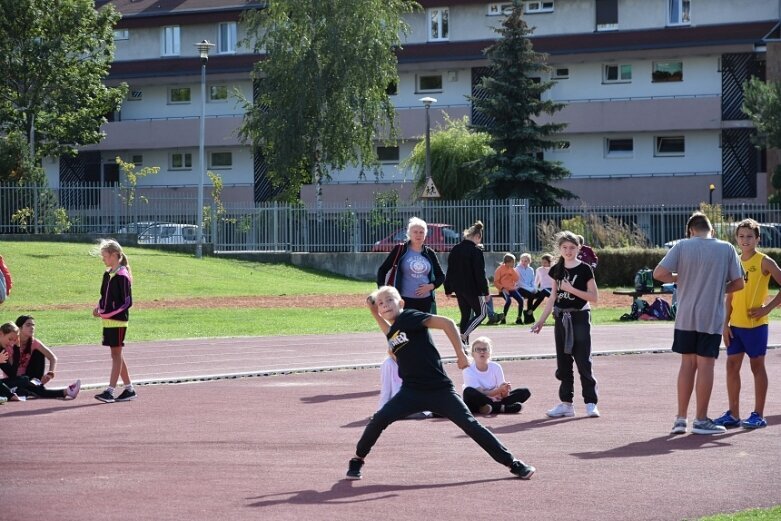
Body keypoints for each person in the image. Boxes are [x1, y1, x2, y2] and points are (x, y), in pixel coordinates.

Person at [346, 286, 535, 480]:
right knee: (379, 419)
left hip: (440, 391)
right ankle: (357, 460)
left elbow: (447, 322)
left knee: (472, 425)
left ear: (401, 303)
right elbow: (388, 332)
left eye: (389, 300)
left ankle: (513, 463)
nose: (385, 305)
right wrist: (373, 311)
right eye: (381, 303)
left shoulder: (409, 317)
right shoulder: (394, 331)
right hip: (410, 392)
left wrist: (461, 354)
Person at [653, 211, 744, 435]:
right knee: (706, 366)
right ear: (711, 229)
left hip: (685, 315)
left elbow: (659, 273)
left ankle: (680, 419)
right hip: (710, 316)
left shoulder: (682, 246)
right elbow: (739, 283)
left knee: (687, 365)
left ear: (691, 230)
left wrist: (679, 277)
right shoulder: (726, 248)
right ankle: (701, 419)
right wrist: (718, 287)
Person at [714, 219, 780, 429]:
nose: (745, 240)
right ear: (736, 238)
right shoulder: (734, 261)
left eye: (749, 237)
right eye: (741, 236)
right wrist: (725, 324)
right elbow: (730, 297)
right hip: (736, 326)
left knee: (756, 367)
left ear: (757, 239)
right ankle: (733, 414)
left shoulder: (764, 261)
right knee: (731, 366)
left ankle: (758, 414)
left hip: (756, 326)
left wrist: (766, 309)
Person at [531, 231, 600, 419]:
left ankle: (590, 402)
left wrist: (571, 289)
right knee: (563, 363)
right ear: (560, 249)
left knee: (583, 361)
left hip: (579, 317)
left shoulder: (585, 269)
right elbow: (553, 297)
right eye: (565, 248)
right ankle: (566, 403)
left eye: (572, 247)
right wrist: (541, 321)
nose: (568, 251)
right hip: (561, 319)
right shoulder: (556, 269)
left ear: (579, 248)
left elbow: (594, 298)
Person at [92, 239, 136, 403]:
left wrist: (107, 313)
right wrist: (99, 308)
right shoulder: (108, 274)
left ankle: (110, 391)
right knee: (116, 354)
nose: (103, 259)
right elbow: (104, 296)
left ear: (114, 255)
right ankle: (129, 389)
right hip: (108, 320)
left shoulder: (122, 276)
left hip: (118, 321)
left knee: (116, 355)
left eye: (105, 256)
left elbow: (126, 302)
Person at [376, 217, 445, 313]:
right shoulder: (400, 250)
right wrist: (382, 290)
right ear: (409, 233)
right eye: (415, 232)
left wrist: (431, 286)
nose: (418, 235)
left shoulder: (430, 253)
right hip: (404, 300)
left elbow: (441, 276)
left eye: (421, 232)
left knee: (422, 328)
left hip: (425, 301)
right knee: (406, 327)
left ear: (425, 234)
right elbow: (382, 270)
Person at [0, 322, 80, 401]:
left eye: (14, 340)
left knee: (24, 380)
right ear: (1, 334)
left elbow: (12, 373)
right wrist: (10, 395)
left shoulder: (3, 349)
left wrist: (17, 347)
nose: (11, 343)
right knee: (23, 384)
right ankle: (18, 392)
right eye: (10, 339)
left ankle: (28, 388)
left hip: (17, 380)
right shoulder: (5, 348)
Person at [444, 221, 490, 345]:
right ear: (477, 237)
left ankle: (464, 346)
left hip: (459, 289)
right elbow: (480, 273)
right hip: (473, 289)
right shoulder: (476, 251)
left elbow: (450, 270)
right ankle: (463, 336)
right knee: (482, 314)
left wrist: (447, 288)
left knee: (466, 316)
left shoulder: (455, 249)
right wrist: (485, 291)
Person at [462, 336, 531, 415]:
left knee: (525, 392)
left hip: (496, 399)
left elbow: (503, 394)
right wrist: (498, 391)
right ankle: (502, 408)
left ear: (489, 352)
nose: (482, 352)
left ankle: (491, 408)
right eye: (478, 349)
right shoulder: (468, 370)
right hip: (479, 400)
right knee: (468, 392)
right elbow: (482, 393)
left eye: (485, 349)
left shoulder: (496, 367)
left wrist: (505, 390)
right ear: (473, 353)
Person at [14, 315, 58, 383]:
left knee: (39, 352)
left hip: (28, 377)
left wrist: (50, 373)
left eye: (33, 325)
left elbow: (53, 357)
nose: (32, 327)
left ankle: (37, 383)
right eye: (28, 325)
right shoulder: (11, 342)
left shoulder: (33, 342)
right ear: (19, 328)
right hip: (13, 378)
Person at [515, 253, 545, 325]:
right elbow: (519, 282)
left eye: (525, 261)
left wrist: (534, 288)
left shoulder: (530, 269)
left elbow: (533, 280)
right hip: (520, 288)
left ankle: (530, 311)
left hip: (530, 288)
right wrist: (530, 289)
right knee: (531, 295)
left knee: (541, 294)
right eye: (522, 260)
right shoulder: (517, 269)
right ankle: (528, 315)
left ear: (529, 261)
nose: (523, 262)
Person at [494, 253, 523, 325]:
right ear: (507, 262)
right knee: (508, 301)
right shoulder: (499, 269)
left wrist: (512, 271)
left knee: (521, 300)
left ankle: (519, 318)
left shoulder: (512, 269)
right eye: (512, 262)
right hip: (503, 289)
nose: (514, 263)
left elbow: (516, 279)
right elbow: (496, 282)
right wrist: (502, 288)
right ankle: (503, 318)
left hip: (512, 289)